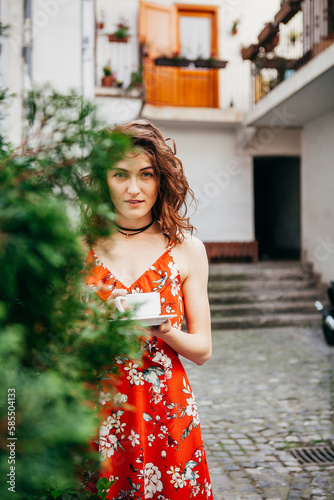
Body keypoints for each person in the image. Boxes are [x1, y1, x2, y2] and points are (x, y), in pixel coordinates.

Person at [85, 120, 213, 499]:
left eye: (146, 174)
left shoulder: (187, 248)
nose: (134, 188)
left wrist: (163, 329)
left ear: (162, 180)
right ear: (102, 180)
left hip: (166, 410)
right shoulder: (80, 246)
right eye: (120, 175)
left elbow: (203, 349)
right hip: (95, 407)